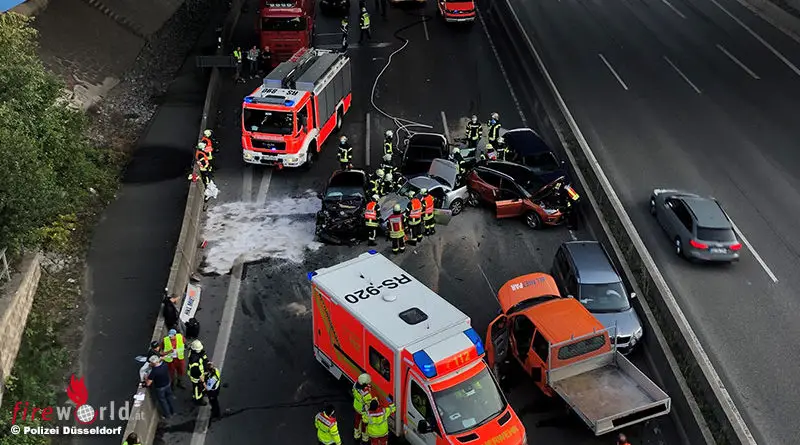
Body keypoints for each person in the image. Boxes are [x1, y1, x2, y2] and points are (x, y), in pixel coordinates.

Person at [352, 373, 374, 442]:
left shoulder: (355, 385)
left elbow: (353, 391)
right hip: (363, 410)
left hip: (356, 406)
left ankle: (356, 434)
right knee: (365, 424)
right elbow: (369, 403)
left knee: (357, 421)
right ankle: (365, 438)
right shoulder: (366, 394)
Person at [188, 340, 208, 406]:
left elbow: (204, 359)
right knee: (198, 390)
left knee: (199, 388)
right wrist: (203, 382)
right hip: (197, 379)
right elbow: (197, 373)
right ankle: (198, 400)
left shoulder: (194, 353)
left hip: (201, 375)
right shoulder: (194, 362)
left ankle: (197, 395)